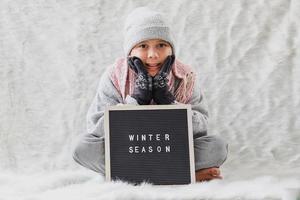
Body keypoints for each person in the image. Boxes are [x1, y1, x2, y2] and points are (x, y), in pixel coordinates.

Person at [73, 7, 228, 182]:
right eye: (143, 46)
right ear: (130, 51)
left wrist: (169, 104)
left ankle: (134, 175)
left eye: (161, 45)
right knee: (83, 148)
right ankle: (181, 174)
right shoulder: (114, 75)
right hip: (130, 147)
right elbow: (96, 130)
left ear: (171, 49)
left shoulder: (186, 76)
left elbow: (201, 128)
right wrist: (136, 101)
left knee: (217, 147)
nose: (153, 55)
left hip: (170, 147)